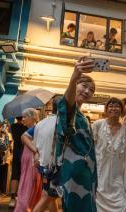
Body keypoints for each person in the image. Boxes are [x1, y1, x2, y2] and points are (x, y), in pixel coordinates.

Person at [49, 57, 97, 211]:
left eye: (91, 90)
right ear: (75, 86)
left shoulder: (83, 116)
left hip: (86, 171)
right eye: (84, 86)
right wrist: (75, 75)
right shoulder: (70, 111)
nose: (88, 91)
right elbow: (67, 103)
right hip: (74, 170)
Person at [92, 97, 126, 212]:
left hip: (117, 172)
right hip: (100, 169)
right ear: (106, 109)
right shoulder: (98, 124)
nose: (113, 108)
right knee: (98, 198)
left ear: (121, 109)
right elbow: (91, 145)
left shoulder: (125, 129)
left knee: (122, 202)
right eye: (110, 106)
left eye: (117, 106)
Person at [32, 99, 60, 212]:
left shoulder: (41, 123)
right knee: (47, 197)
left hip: (43, 166)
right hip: (54, 167)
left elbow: (35, 146)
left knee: (50, 197)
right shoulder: (60, 123)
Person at [15, 108, 41, 212]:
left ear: (33, 118)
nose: (23, 119)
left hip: (31, 160)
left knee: (28, 184)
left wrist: (35, 151)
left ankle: (24, 207)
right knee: (29, 183)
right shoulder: (34, 128)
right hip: (28, 160)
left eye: (25, 116)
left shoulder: (36, 127)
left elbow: (23, 137)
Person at [9, 117, 28, 207]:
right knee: (24, 174)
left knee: (15, 174)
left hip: (16, 152)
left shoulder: (12, 126)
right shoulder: (27, 127)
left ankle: (12, 198)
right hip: (25, 152)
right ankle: (21, 197)